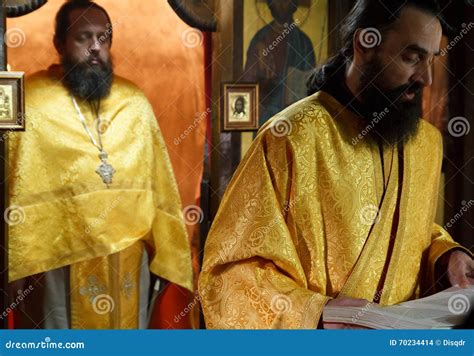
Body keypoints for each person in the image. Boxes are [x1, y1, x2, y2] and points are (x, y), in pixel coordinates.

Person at [199, 0, 473, 329]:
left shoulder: (425, 143)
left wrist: (445, 256)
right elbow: (228, 277)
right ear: (365, 45)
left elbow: (408, 234)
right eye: (412, 57)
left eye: (433, 59)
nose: (427, 78)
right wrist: (316, 313)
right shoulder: (291, 138)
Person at [7, 0, 193, 329]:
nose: (95, 47)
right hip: (58, 259)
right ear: (59, 43)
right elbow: (19, 186)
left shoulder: (133, 102)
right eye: (83, 37)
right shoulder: (32, 100)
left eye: (103, 38)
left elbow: (158, 184)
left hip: (127, 258)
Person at [243, 0, 315, 126]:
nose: (281, 4)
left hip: (294, 117)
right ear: (270, 4)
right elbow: (247, 83)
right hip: (265, 118)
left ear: (294, 4)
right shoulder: (260, 40)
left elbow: (311, 85)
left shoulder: (303, 42)